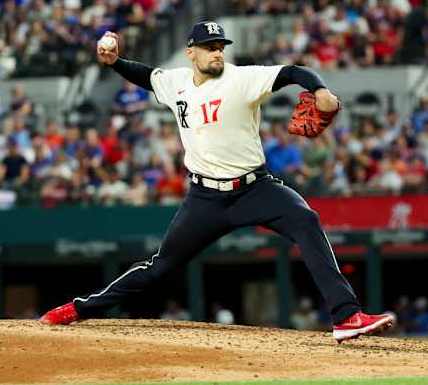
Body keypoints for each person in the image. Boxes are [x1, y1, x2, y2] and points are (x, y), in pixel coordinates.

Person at [40, 21, 395, 343]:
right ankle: (80, 309)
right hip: (205, 199)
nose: (217, 53)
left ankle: (346, 317)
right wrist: (116, 62)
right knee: (161, 266)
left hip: (256, 189)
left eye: (221, 47)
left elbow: (292, 71)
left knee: (306, 221)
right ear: (190, 52)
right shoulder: (176, 82)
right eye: (210, 47)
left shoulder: (240, 79)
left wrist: (318, 89)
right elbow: (147, 76)